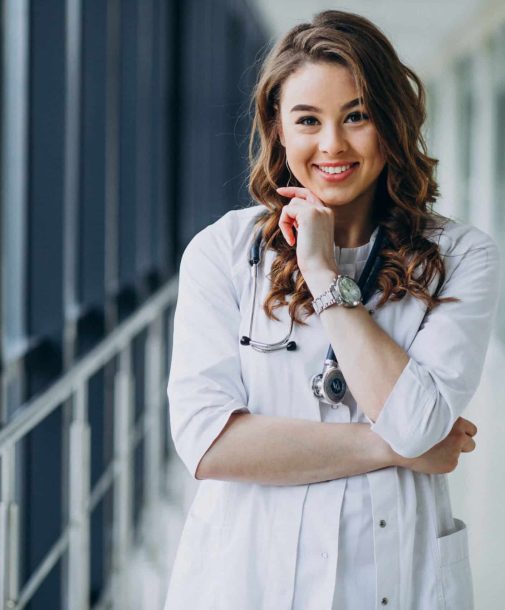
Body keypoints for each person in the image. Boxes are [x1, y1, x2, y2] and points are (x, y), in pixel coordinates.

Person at [164, 10, 500, 610]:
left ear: (391, 122)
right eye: (308, 120)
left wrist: (323, 276)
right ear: (279, 128)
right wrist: (391, 448)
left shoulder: (461, 256)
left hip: (396, 581)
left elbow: (421, 423)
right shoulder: (223, 251)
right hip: (248, 582)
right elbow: (208, 444)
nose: (332, 145)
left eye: (356, 116)